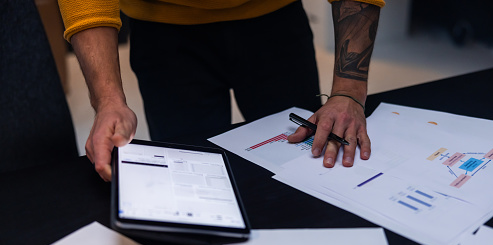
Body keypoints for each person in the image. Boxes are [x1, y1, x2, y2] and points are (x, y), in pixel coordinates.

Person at [57, 0, 384, 181]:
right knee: (191, 177)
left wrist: (349, 91)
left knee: (308, 164)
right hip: (162, 31)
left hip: (275, 19)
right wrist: (108, 100)